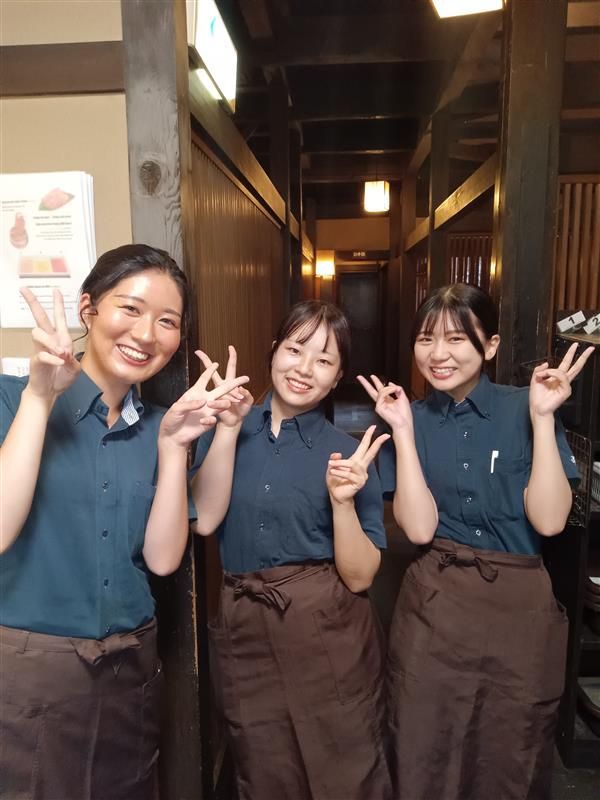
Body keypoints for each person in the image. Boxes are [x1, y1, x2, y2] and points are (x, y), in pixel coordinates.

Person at [0, 244, 248, 800]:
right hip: (30, 674)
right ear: (88, 309)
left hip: (130, 669)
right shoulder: (12, 399)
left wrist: (175, 448)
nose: (145, 334)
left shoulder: (163, 426)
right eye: (129, 308)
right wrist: (40, 397)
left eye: (167, 321)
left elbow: (163, 559)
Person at [358, 283, 594, 800]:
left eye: (456, 339)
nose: (437, 354)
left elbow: (550, 521)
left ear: (489, 346)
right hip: (435, 607)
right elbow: (419, 530)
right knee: (422, 743)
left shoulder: (525, 407)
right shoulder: (411, 418)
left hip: (519, 609)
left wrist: (543, 418)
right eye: (426, 339)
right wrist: (402, 432)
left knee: (509, 751)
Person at [191, 300, 393, 800]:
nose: (304, 369)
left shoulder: (349, 454)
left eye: (324, 360)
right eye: (295, 349)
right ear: (274, 351)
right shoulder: (227, 429)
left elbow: (361, 576)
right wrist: (228, 428)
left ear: (338, 376)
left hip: (326, 633)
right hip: (245, 627)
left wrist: (342, 503)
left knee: (344, 766)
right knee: (263, 767)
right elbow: (206, 520)